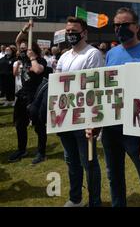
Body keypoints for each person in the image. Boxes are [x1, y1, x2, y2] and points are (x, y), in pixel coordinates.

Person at [90, 7, 140, 207]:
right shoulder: (111, 54)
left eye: (125, 25)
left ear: (136, 26)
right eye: (116, 25)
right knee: (114, 177)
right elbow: (106, 90)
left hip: (138, 129)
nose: (120, 29)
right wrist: (96, 122)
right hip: (111, 128)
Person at [56, 16, 104, 207]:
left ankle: (94, 201)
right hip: (65, 117)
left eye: (74, 31)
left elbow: (96, 88)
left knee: (89, 162)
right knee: (71, 162)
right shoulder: (64, 56)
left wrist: (94, 120)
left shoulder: (92, 54)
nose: (70, 34)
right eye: (68, 31)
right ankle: (75, 198)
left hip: (84, 119)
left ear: (84, 33)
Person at [8, 24, 48, 163]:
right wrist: (24, 29)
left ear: (33, 50)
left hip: (35, 97)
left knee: (38, 126)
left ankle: (41, 153)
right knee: (20, 124)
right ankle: (21, 150)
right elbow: (17, 40)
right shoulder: (23, 58)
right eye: (22, 48)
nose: (22, 49)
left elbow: (37, 70)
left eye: (26, 48)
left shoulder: (40, 60)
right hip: (22, 95)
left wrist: (32, 58)